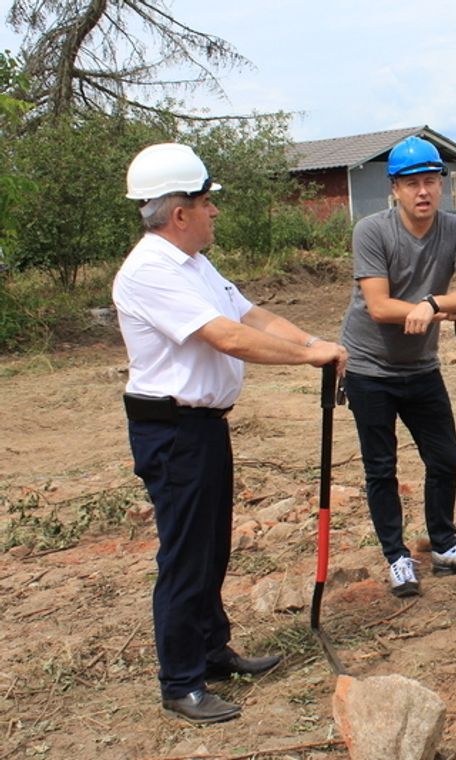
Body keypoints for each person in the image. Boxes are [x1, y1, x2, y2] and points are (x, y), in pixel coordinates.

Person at [113, 144, 348, 724]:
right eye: (206, 200)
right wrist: (308, 359)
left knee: (212, 544)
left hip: (203, 427)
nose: (214, 211)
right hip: (172, 430)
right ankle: (180, 681)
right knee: (187, 555)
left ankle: (212, 650)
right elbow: (228, 339)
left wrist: (312, 342)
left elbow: (251, 316)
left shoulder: (192, 263)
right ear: (178, 212)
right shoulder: (148, 271)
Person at [339, 136, 456, 598]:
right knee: (380, 467)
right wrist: (444, 310)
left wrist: (432, 303)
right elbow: (380, 307)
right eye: (412, 184)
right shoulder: (371, 230)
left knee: (445, 457)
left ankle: (443, 541)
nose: (422, 192)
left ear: (441, 185)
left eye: (430, 181)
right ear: (395, 189)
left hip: (421, 364)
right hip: (368, 366)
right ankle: (396, 556)